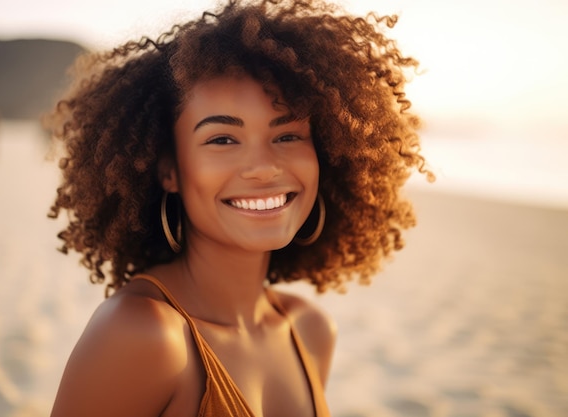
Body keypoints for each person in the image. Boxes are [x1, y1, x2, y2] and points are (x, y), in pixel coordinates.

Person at [45, 0, 431, 415]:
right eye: (223, 139)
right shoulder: (142, 335)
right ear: (169, 170)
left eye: (287, 136)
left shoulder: (311, 331)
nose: (264, 168)